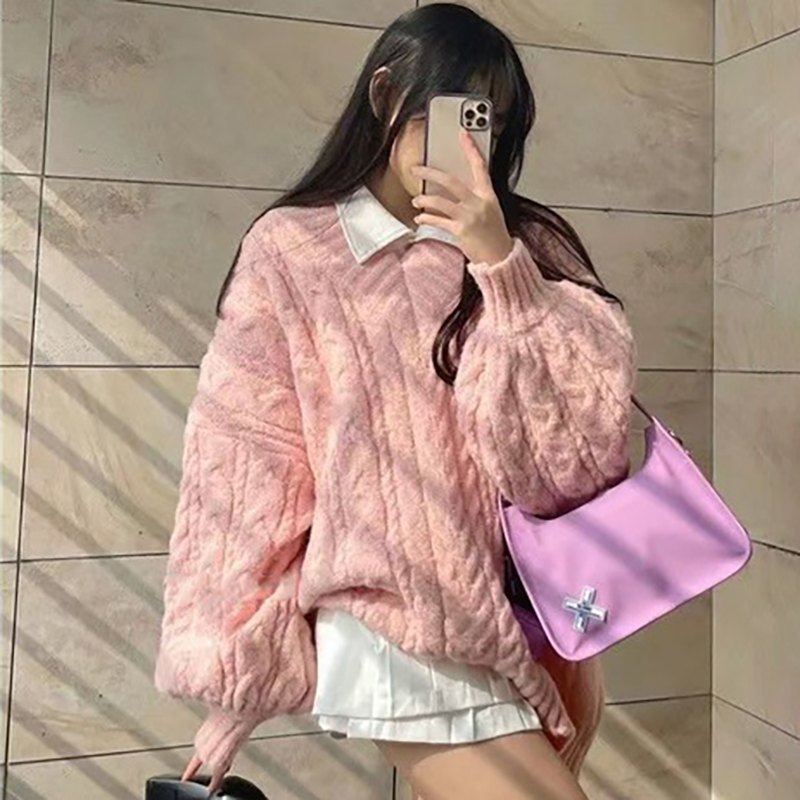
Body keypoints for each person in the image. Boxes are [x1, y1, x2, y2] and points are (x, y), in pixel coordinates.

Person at [153, 4, 637, 799]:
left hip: (532, 620)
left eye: (491, 122)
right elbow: (249, 466)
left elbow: (577, 462)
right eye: (457, 113)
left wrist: (500, 267)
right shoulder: (292, 251)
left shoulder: (528, 246)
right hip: (391, 628)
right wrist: (242, 677)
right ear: (385, 95)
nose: (473, 143)